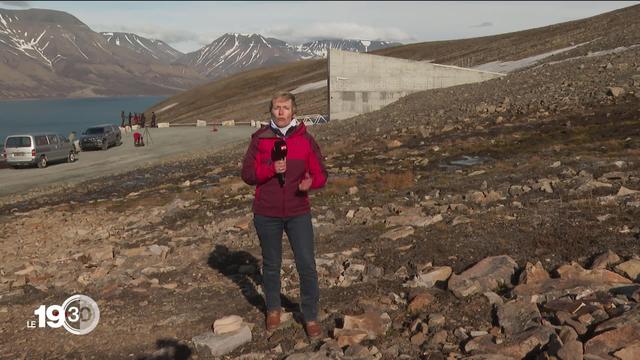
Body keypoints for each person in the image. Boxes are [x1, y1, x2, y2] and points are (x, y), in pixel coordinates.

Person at [241, 92, 328, 339]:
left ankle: (310, 316)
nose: (281, 112)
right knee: (271, 265)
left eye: (285, 108)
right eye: (277, 107)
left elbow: (321, 173)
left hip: (298, 211)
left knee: (306, 264)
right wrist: (270, 169)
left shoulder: (305, 140)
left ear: (294, 112)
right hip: (266, 213)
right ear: (271, 111)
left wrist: (311, 182)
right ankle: (273, 309)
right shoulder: (260, 139)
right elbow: (247, 174)